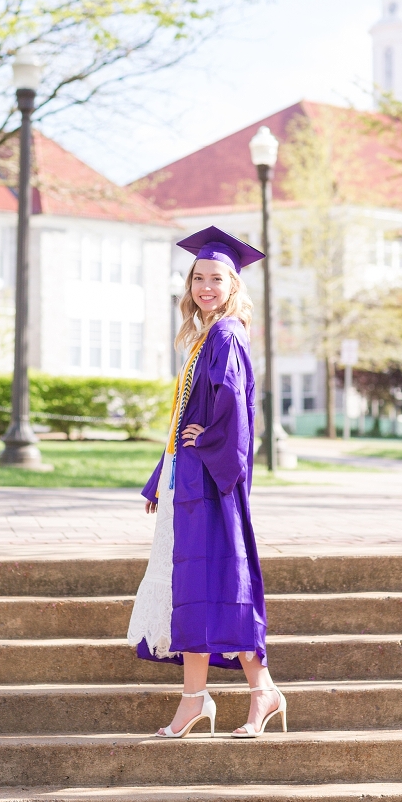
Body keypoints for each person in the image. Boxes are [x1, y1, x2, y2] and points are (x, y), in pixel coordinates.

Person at [127, 226, 287, 739]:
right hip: (191, 480)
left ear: (235, 284)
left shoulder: (225, 335)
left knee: (212, 587)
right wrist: (162, 475)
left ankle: (241, 695)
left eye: (216, 278)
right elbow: (185, 417)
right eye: (198, 277)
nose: (205, 286)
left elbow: (234, 410)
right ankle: (212, 699)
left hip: (212, 485)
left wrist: (210, 445)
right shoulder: (205, 336)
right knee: (198, 590)